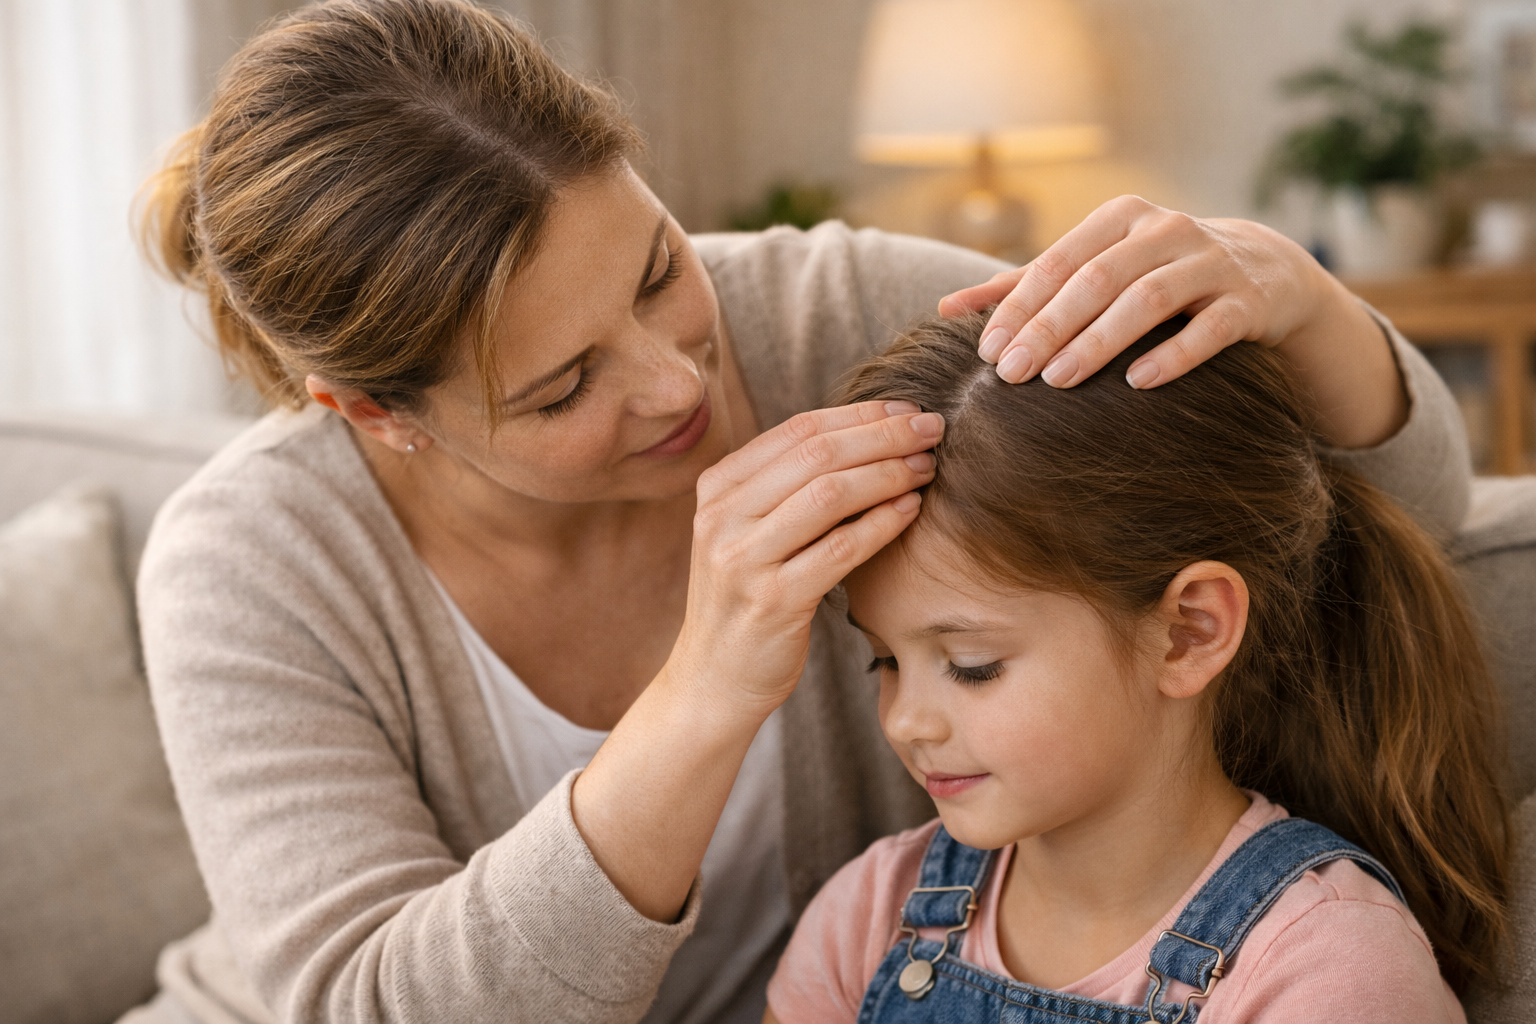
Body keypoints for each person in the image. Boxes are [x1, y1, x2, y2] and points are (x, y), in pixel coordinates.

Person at [126, 1, 1476, 1022]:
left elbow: (1373, 520)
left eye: (658, 270)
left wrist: (1299, 304)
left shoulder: (827, 316)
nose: (679, 382)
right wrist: (709, 683)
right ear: (374, 413)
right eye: (562, 386)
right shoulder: (252, 564)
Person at [763, 312, 1510, 1024]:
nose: (905, 720)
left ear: (1189, 632)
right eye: (885, 661)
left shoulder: (1328, 965)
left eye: (972, 665)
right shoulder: (866, 915)